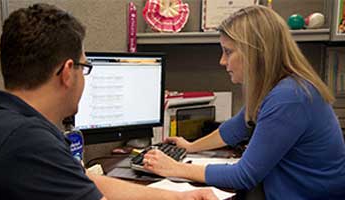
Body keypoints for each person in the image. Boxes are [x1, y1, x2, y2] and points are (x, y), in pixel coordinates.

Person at [0, 3, 216, 200]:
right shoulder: (25, 140)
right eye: (84, 67)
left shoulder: (10, 124)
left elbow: (88, 181)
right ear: (68, 72)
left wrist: (179, 197)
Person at [143, 5, 345, 199]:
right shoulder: (276, 87)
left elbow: (244, 175)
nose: (222, 61)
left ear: (256, 52)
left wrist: (175, 168)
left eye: (228, 51)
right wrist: (189, 147)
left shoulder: (289, 97)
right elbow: (236, 128)